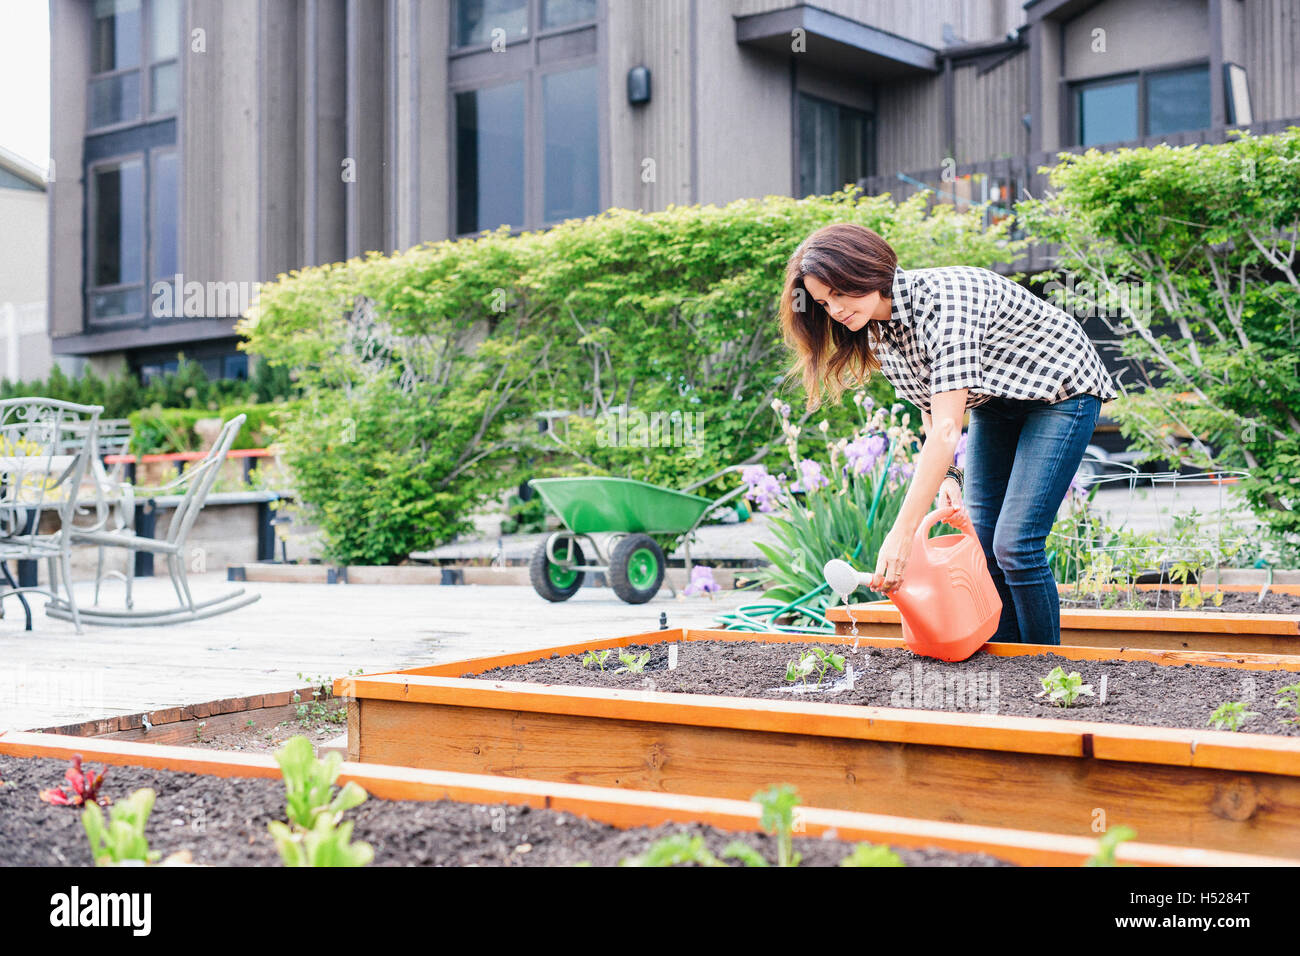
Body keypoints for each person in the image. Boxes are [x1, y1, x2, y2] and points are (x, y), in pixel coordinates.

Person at [778, 222, 1117, 645]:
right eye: (825, 303)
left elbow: (945, 431)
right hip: (995, 401)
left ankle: (1046, 668)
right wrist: (950, 479)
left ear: (868, 270)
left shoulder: (946, 302)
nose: (836, 310)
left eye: (841, 293)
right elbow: (929, 407)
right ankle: (1008, 660)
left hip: (1062, 392)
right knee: (984, 539)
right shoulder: (880, 332)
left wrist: (902, 535)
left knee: (1016, 545)